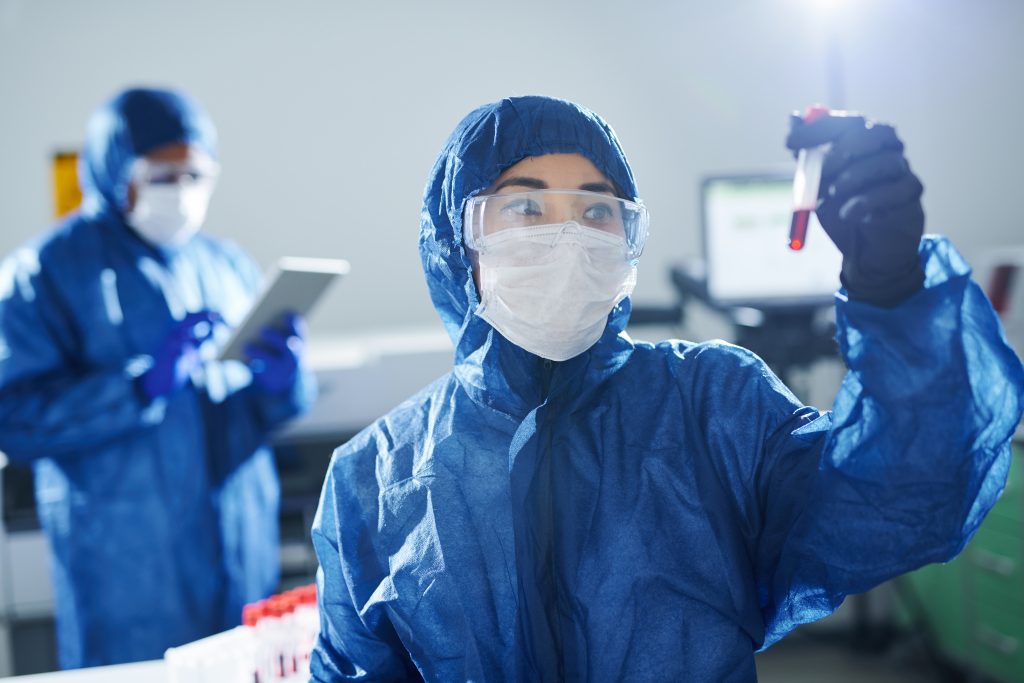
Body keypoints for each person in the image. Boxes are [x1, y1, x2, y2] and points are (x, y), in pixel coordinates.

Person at [309, 96, 1023, 682]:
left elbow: (899, 495)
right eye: (525, 209)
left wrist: (891, 287)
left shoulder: (713, 403)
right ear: (453, 243)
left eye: (597, 211)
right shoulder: (372, 478)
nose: (569, 237)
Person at [0, 87, 316, 669]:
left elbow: (248, 414)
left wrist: (280, 385)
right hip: (127, 580)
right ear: (114, 170)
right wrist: (137, 387)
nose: (182, 191)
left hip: (239, 561)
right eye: (162, 174)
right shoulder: (45, 274)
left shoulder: (223, 265)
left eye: (195, 174)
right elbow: (12, 418)